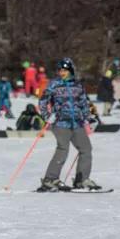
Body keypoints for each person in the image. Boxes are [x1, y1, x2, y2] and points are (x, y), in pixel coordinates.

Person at [37, 58, 102, 191]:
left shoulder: (78, 85)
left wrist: (90, 118)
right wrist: (47, 117)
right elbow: (43, 101)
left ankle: (82, 179)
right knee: (63, 149)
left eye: (65, 70)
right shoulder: (54, 84)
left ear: (71, 70)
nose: (62, 73)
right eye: (60, 70)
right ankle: (50, 179)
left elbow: (84, 103)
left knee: (86, 149)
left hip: (77, 123)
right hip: (60, 122)